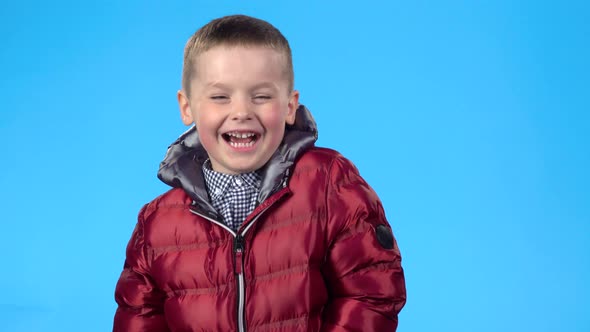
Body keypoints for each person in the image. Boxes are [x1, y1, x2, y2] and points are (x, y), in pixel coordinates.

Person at [113, 14, 406, 332]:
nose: (241, 112)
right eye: (220, 97)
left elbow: (371, 293)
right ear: (187, 107)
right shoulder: (157, 222)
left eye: (261, 96)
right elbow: (139, 315)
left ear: (290, 106)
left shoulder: (328, 184)